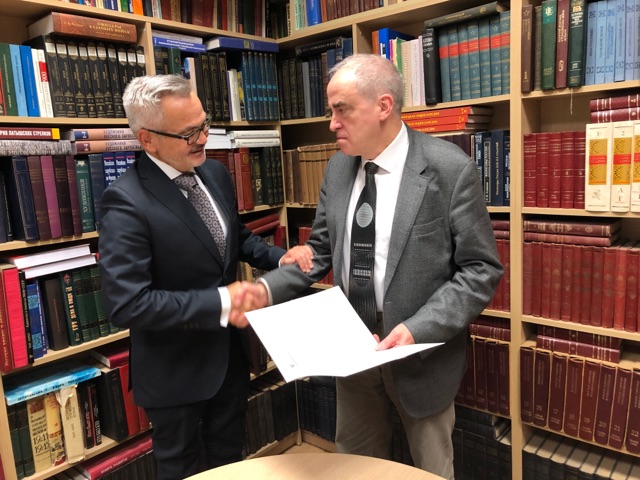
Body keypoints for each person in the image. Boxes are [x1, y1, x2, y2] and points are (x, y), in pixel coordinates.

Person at [242, 54, 503, 479]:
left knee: (431, 470)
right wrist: (263, 290)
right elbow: (320, 251)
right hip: (351, 349)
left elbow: (480, 270)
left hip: (420, 355)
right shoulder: (338, 169)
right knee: (355, 465)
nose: (332, 124)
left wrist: (418, 328)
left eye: (341, 109)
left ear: (383, 106)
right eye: (330, 111)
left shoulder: (449, 169)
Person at [98, 74, 312, 480]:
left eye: (204, 124)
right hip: (174, 371)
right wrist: (223, 301)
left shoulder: (214, 173)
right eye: (188, 133)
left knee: (230, 462)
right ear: (147, 140)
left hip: (228, 358)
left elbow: (235, 237)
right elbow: (127, 304)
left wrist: (279, 257)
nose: (203, 138)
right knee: (180, 470)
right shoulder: (125, 201)